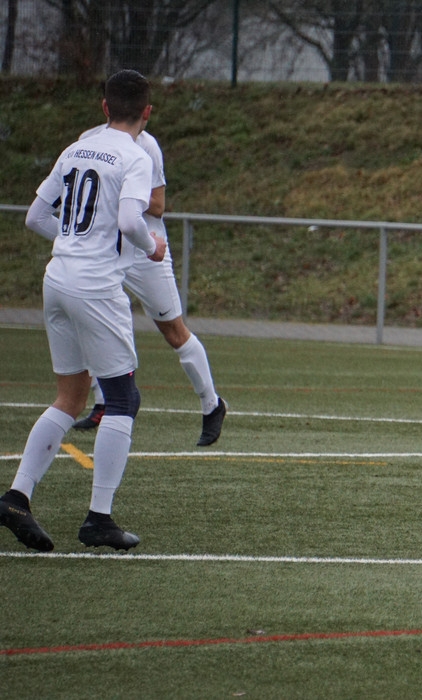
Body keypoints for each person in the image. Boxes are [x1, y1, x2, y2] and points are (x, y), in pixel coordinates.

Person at [0, 69, 167, 552]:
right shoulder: (136, 156)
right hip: (94, 287)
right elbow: (131, 220)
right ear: (147, 112)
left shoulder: (77, 148)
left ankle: (16, 498)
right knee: (123, 399)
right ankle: (99, 518)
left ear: (104, 107)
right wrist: (152, 248)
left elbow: (35, 216)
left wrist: (77, 241)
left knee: (71, 396)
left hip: (57, 279)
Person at [72, 117, 227, 447]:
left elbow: (157, 205)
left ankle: (211, 405)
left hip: (147, 250)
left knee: (174, 331)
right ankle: (104, 401)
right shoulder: (89, 139)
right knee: (88, 320)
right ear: (105, 106)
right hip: (104, 248)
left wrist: (117, 196)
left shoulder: (147, 146)